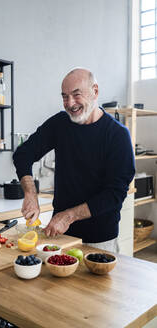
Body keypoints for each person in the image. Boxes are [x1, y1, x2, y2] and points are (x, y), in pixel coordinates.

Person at [13, 68, 135, 252]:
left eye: (76, 95)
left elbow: (114, 195)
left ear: (95, 91)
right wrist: (30, 193)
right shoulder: (59, 124)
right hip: (60, 236)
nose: (70, 103)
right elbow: (22, 154)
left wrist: (68, 216)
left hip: (99, 239)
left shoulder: (117, 135)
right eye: (64, 96)